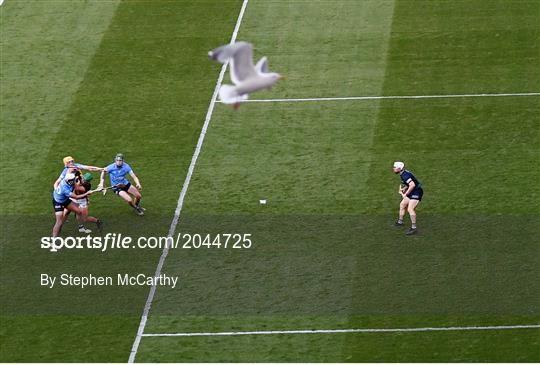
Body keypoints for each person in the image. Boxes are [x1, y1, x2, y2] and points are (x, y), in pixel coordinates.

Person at [393, 161, 423, 235]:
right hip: (413, 190)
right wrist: (404, 188)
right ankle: (400, 222)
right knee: (402, 204)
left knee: (410, 209)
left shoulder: (405, 175)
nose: (393, 168)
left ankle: (414, 228)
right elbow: (410, 183)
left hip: (416, 192)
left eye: (395, 167)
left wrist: (406, 193)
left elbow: (412, 185)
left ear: (399, 168)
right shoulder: (403, 173)